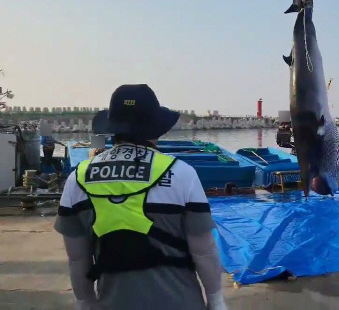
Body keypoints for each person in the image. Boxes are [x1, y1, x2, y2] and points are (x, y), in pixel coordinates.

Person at [54, 84, 227, 310]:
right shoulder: (181, 173)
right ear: (155, 128)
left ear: (113, 127)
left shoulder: (79, 177)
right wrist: (216, 303)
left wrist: (85, 303)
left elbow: (78, 259)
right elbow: (204, 251)